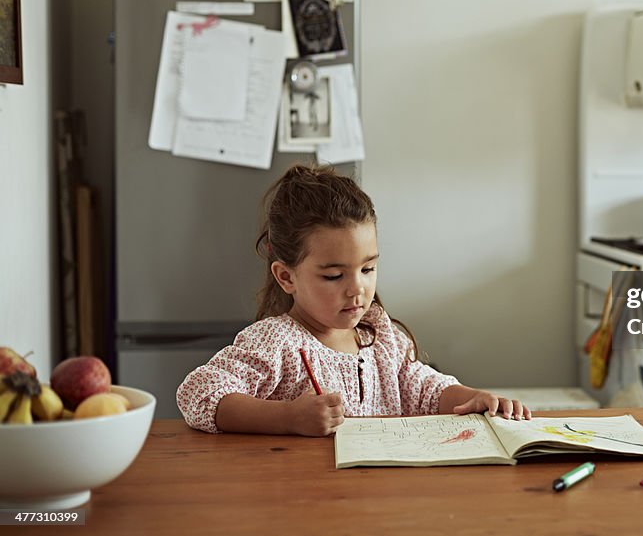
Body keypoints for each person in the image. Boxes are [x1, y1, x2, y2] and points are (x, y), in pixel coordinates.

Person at [177, 164, 531, 435]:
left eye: (368, 269)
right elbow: (197, 394)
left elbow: (424, 389)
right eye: (334, 275)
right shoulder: (276, 342)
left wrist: (474, 397)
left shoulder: (381, 336)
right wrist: (287, 418)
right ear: (286, 277)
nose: (357, 289)